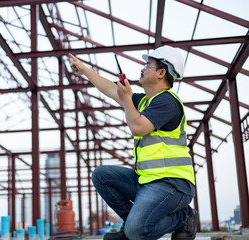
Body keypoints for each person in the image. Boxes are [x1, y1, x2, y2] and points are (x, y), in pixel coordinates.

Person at [69, 45, 199, 240]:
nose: (142, 68)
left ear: (161, 72)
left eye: (148, 65)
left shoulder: (167, 102)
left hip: (172, 184)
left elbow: (137, 127)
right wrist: (85, 70)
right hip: (146, 180)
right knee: (102, 175)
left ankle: (184, 216)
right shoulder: (146, 101)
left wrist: (127, 98)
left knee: (137, 232)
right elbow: (112, 90)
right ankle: (129, 223)